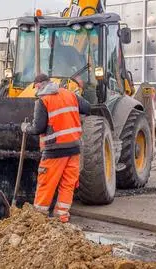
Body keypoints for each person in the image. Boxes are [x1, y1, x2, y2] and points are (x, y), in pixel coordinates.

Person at [21, 73, 90, 223]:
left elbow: (38, 128)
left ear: (39, 85)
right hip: (74, 149)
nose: (35, 90)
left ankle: (38, 219)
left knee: (46, 184)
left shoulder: (43, 101)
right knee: (67, 184)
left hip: (54, 151)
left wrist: (26, 128)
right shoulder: (70, 94)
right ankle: (62, 217)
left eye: (36, 87)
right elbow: (88, 108)